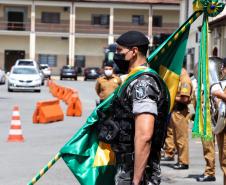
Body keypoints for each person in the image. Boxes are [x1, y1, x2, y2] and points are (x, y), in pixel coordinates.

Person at [97, 31, 170, 185]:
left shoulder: (143, 83)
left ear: (134, 51)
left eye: (119, 51)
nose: (116, 55)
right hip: (127, 167)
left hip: (138, 172)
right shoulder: (132, 80)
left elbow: (144, 135)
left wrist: (136, 181)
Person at [171, 67, 192, 170]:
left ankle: (183, 162)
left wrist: (172, 96)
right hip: (176, 111)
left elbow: (185, 98)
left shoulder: (185, 81)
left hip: (181, 111)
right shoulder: (180, 79)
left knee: (181, 139)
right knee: (176, 138)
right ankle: (180, 160)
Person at [210, 58, 226, 184]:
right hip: (223, 124)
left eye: (223, 67)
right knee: (223, 161)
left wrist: (219, 94)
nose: (222, 70)